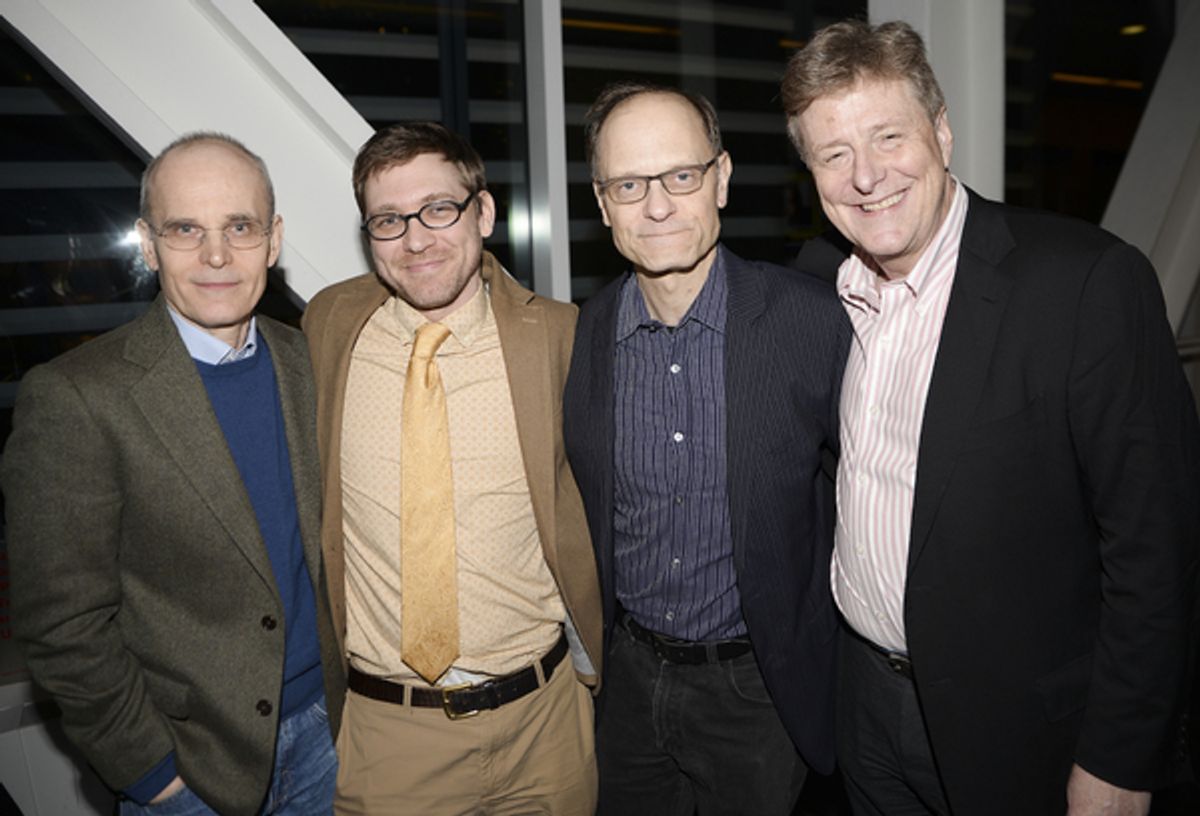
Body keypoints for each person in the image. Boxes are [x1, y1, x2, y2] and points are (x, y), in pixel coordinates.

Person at [782, 19, 1200, 816]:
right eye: (834, 155)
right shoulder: (822, 284)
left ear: (940, 131)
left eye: (888, 137)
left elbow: (1158, 550)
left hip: (1018, 731)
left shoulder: (1084, 286)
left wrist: (1120, 761)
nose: (866, 176)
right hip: (863, 707)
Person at [3, 132, 343, 815]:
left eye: (239, 227)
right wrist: (153, 773)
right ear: (148, 243)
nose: (216, 255)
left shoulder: (313, 360)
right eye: (186, 229)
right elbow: (62, 624)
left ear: (273, 241)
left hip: (332, 742)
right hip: (192, 772)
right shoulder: (76, 396)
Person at [563, 81, 850, 815]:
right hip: (626, 683)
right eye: (629, 184)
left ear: (720, 179)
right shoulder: (582, 337)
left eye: (680, 176)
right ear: (602, 204)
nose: (657, 206)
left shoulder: (814, 324)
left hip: (757, 692)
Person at [302, 122, 602, 815]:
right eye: (388, 220)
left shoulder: (560, 335)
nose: (416, 239)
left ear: (484, 212)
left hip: (543, 725)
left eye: (439, 209)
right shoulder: (330, 327)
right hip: (390, 738)